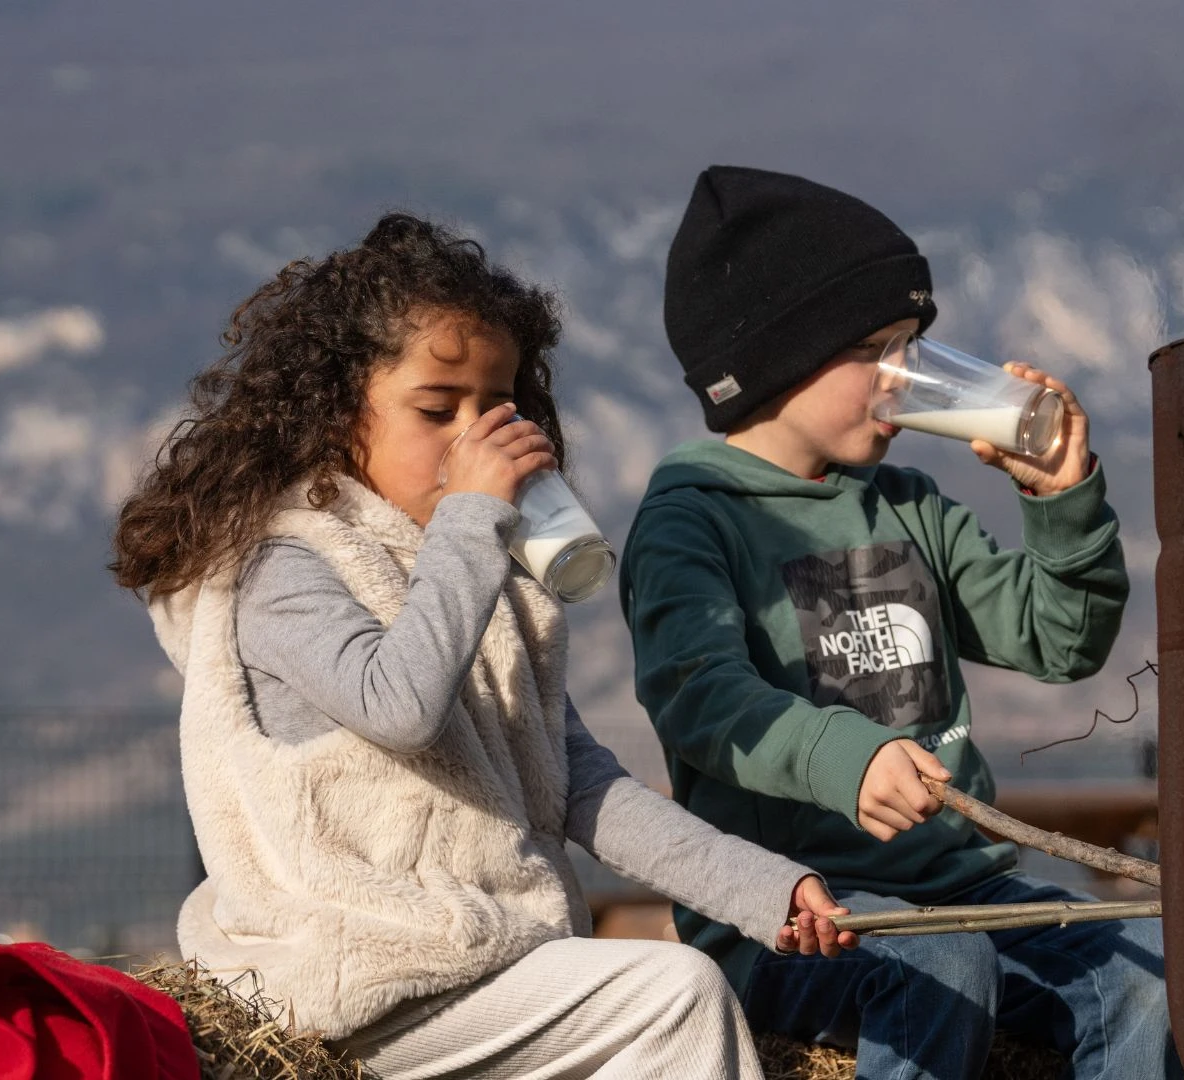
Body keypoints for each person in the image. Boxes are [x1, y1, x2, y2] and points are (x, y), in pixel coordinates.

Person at [110, 211, 856, 1080]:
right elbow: (399, 706)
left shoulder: (478, 575)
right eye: (437, 409)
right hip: (356, 975)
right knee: (674, 993)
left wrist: (765, 889)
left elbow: (578, 782)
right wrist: (472, 516)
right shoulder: (285, 565)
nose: (473, 437)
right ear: (338, 412)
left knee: (658, 999)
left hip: (490, 962)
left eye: (495, 409)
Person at [620, 167, 1181, 1079]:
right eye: (877, 349)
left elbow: (1060, 640)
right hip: (796, 918)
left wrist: (1064, 499)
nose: (908, 379)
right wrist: (848, 758)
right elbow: (701, 698)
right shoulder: (694, 519)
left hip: (968, 888)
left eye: (914, 345)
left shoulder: (910, 505)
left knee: (1148, 965)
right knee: (938, 967)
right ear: (777, 353)